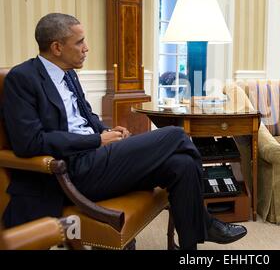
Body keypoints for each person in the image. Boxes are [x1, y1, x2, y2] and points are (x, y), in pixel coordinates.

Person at [1, 13, 247, 250]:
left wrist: (107, 131)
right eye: (79, 42)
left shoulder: (69, 75)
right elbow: (29, 142)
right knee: (176, 135)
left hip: (95, 159)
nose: (86, 48)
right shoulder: (23, 78)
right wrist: (97, 140)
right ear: (56, 47)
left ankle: (190, 247)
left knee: (181, 164)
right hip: (71, 171)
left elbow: (85, 117)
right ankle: (206, 223)